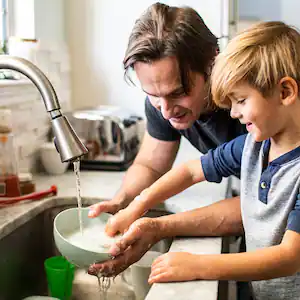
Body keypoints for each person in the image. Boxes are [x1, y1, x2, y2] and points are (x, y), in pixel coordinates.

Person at [92, 21, 300, 300]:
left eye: (240, 100)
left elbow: (289, 256)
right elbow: (190, 172)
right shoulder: (255, 144)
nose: (234, 113)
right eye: (154, 97)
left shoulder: (260, 134)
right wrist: (134, 206)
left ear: (285, 92)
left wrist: (199, 265)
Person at [88, 0, 245, 283]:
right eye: (152, 94)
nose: (166, 109)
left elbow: (260, 204)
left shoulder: (253, 101)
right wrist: (122, 203)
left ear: (213, 61)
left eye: (178, 93)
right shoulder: (163, 100)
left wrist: (158, 227)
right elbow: (150, 164)